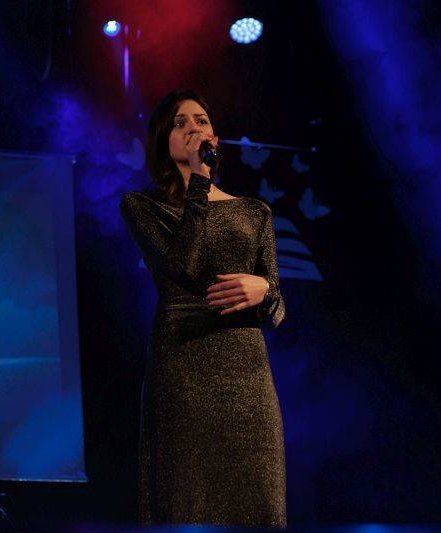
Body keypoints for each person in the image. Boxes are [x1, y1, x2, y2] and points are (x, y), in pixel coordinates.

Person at [119, 89, 286, 528]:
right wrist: (198, 181)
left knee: (257, 507)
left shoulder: (255, 212)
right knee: (186, 506)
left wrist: (265, 288)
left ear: (215, 138)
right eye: (180, 123)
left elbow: (277, 311)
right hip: (184, 371)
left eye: (202, 121)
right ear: (163, 141)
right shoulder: (142, 206)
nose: (194, 128)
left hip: (247, 378)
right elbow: (182, 266)